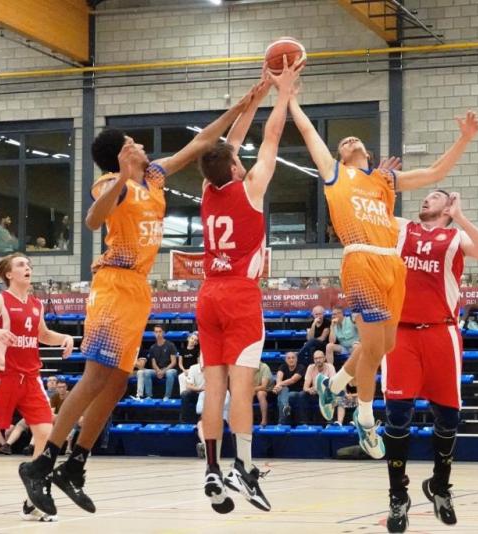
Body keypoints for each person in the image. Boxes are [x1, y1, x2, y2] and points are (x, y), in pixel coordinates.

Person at [18, 84, 257, 518]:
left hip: (138, 289)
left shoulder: (155, 177)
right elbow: (92, 221)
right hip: (113, 284)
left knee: (117, 384)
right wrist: (122, 177)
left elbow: (203, 142)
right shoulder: (112, 183)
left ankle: (76, 464)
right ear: (122, 155)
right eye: (133, 143)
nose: (142, 146)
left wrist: (241, 106)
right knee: (95, 377)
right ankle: (42, 462)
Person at [290, 87, 478, 457]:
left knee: (384, 346)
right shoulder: (335, 174)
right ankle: (364, 419)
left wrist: (464, 138)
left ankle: (335, 384)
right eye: (342, 142)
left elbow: (436, 172)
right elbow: (309, 131)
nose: (348, 140)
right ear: (340, 156)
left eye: (354, 139)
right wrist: (290, 98)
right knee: (376, 349)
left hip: (392, 266)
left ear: (368, 152)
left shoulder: (384, 180)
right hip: (360, 259)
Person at [197, 62, 300, 514]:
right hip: (239, 294)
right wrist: (282, 93)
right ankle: (242, 465)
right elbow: (272, 137)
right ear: (236, 168)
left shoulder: (207, 191)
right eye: (239, 159)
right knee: (241, 389)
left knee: (213, 388)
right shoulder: (250, 189)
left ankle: (211, 469)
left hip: (208, 294)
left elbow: (228, 146)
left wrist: (252, 101)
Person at [380, 191, 478, 532]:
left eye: (435, 197)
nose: (426, 199)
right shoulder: (404, 228)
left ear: (447, 207)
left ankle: (440, 486)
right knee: (397, 415)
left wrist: (460, 216)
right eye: (426, 196)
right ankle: (398, 496)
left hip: (441, 332)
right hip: (401, 332)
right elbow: (371, 212)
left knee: (448, 417)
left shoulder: (455, 237)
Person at [0, 253, 74, 522]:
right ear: (9, 274)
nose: (27, 267)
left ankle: (32, 500)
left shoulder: (36, 304)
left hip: (31, 379)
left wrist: (64, 337)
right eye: (21, 265)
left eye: (29, 264)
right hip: (5, 378)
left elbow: (43, 335)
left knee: (46, 434)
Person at [136, 325, 178, 400]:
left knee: (169, 373)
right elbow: (153, 363)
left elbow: (173, 362)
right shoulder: (152, 347)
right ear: (154, 333)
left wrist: (163, 371)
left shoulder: (170, 345)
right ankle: (149, 396)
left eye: (160, 332)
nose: (158, 334)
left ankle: (167, 396)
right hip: (158, 370)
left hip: (170, 369)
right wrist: (158, 370)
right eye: (156, 332)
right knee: (146, 372)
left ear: (163, 333)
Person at [273, 352, 306, 426]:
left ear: (296, 359)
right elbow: (278, 378)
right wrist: (278, 386)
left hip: (298, 392)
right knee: (283, 393)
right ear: (285, 360)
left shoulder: (301, 367)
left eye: (293, 358)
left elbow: (292, 380)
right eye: (289, 358)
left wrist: (278, 385)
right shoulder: (283, 367)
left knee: (283, 396)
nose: (291, 360)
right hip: (285, 391)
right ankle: (285, 415)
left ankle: (282, 423)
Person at [302, 350, 335, 421]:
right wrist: (309, 390)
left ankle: (330, 420)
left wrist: (319, 389)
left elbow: (332, 384)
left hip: (326, 393)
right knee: (301, 395)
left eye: (320, 358)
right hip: (315, 394)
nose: (318, 360)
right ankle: (304, 422)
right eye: (316, 358)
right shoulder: (310, 367)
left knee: (330, 394)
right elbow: (305, 387)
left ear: (324, 358)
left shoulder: (330, 367)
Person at [253, 362, 273, 427]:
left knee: (260, 393)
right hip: (253, 390)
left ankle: (264, 421)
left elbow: (263, 386)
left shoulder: (264, 367)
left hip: (268, 391)